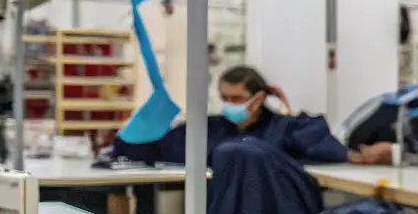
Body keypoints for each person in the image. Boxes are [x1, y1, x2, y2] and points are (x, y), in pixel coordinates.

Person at [112, 65, 347, 165]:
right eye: (225, 98)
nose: (229, 105)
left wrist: (290, 113)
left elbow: (330, 151)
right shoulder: (210, 128)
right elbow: (157, 149)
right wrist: (135, 132)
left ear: (258, 99)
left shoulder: (284, 129)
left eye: (237, 99)